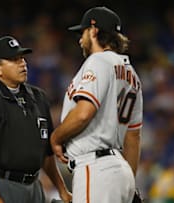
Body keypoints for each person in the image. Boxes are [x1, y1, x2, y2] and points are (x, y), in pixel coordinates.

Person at [50, 6, 143, 203]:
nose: (80, 39)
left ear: (94, 31)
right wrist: (129, 182)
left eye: (82, 32)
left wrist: (56, 138)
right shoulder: (132, 75)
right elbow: (133, 137)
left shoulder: (98, 61)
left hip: (96, 166)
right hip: (121, 171)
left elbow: (84, 113)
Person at [0, 35, 72, 203]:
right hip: (0, 184)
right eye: (14, 60)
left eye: (22, 58)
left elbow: (47, 155)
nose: (23, 63)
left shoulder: (39, 97)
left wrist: (62, 190)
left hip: (34, 186)